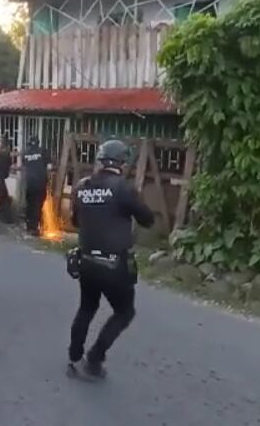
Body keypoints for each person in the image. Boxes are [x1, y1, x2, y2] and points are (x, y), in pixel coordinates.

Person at [67, 139, 154, 380]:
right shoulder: (123, 188)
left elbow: (75, 221)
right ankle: (94, 358)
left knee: (87, 307)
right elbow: (147, 219)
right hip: (114, 265)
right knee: (124, 312)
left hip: (86, 261)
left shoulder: (83, 187)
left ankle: (74, 356)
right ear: (123, 163)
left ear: (100, 160)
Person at [22, 135, 52, 236]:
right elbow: (49, 166)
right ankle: (35, 228)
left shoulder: (25, 153)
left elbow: (25, 165)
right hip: (40, 182)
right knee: (38, 205)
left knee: (30, 204)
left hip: (30, 183)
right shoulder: (43, 151)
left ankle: (28, 226)